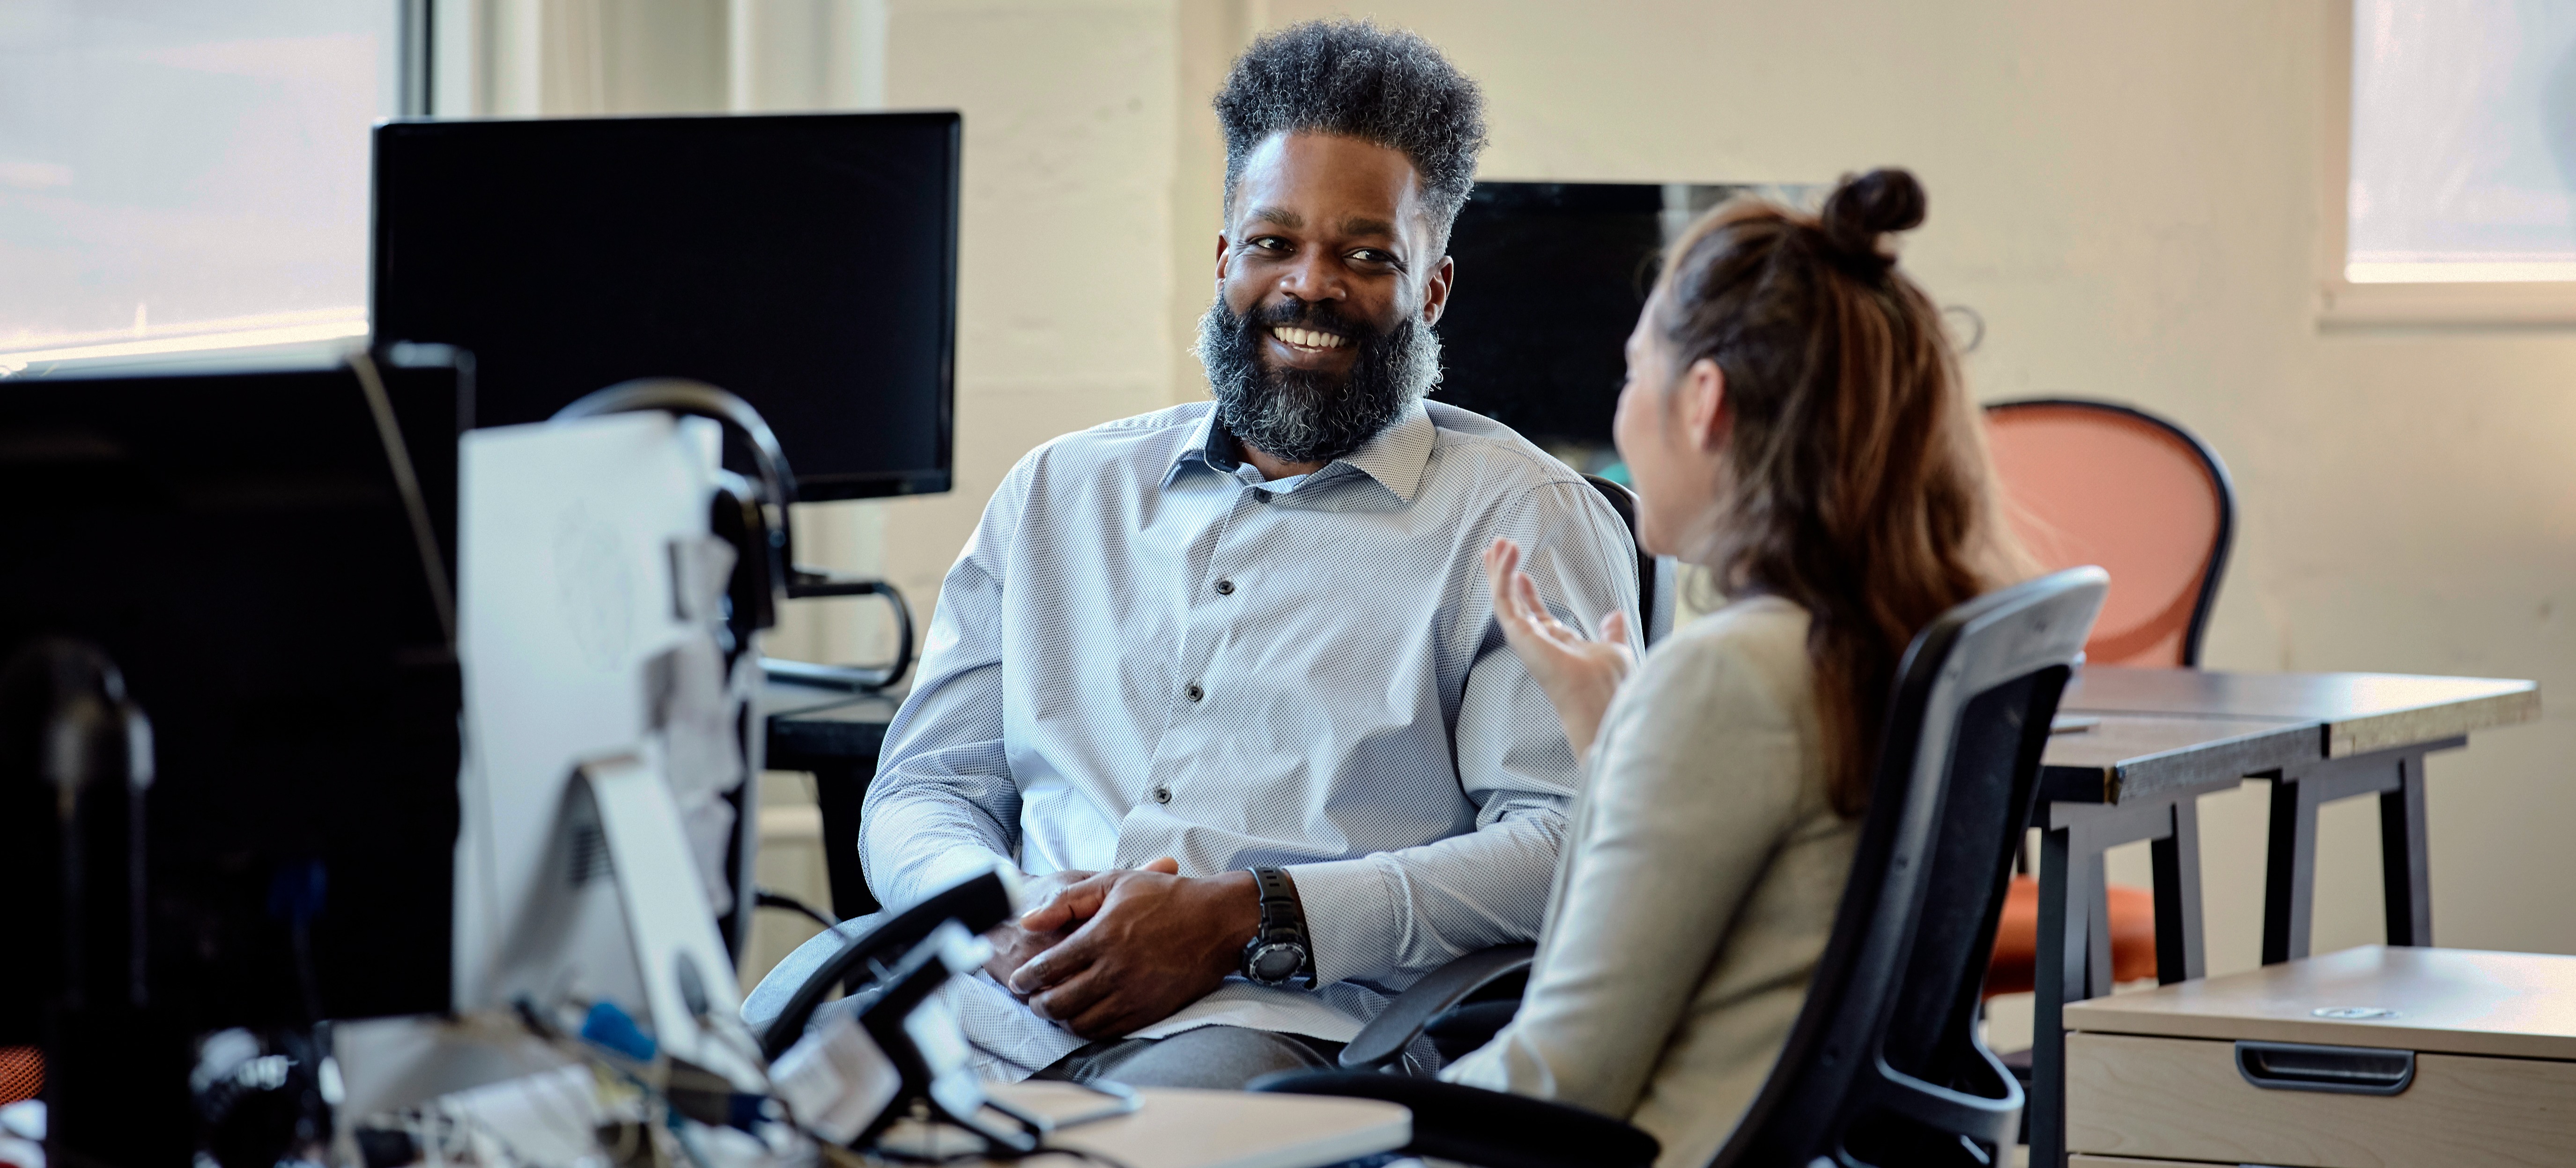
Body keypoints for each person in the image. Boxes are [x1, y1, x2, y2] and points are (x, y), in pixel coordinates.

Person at [784, 20, 1637, 1089]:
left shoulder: (1524, 517)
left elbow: (1566, 842)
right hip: (995, 995)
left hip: (1282, 1027)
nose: (1309, 285)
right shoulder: (1058, 490)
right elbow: (922, 788)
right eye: (1274, 242)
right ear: (1225, 255)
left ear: (1432, 289)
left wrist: (1252, 914)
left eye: (1366, 255)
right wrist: (996, 911)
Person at [1438, 169, 2028, 1167]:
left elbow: (1561, 1075)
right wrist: (1607, 731)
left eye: (1631, 376)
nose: (1622, 415)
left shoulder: (1726, 678)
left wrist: (1337, 1127)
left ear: (1702, 400)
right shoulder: (1890, 634)